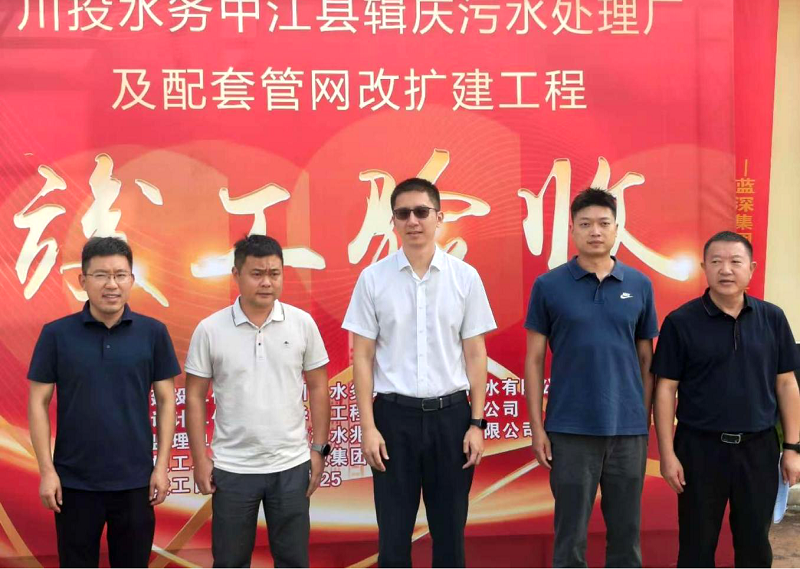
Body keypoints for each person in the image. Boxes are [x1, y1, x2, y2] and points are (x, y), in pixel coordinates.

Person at [342, 177, 496, 568]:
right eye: (403, 213)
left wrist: (476, 423)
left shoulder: (465, 278)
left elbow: (476, 353)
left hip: (452, 420)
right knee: (393, 537)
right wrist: (369, 427)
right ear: (393, 221)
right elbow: (362, 357)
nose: (413, 221)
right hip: (393, 421)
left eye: (422, 212)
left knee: (450, 534)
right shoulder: (373, 279)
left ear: (439, 217)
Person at [524, 187, 659, 568]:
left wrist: (643, 420)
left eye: (603, 223)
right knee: (570, 535)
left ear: (617, 229)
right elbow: (534, 360)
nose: (595, 231)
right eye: (585, 224)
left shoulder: (639, 285)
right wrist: (537, 428)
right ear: (572, 230)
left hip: (627, 431)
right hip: (569, 429)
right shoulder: (549, 286)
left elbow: (646, 359)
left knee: (626, 534)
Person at [27, 236, 179, 567]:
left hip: (136, 482)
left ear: (132, 279)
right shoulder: (56, 335)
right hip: (73, 483)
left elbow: (167, 401)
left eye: (120, 275)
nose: (112, 284)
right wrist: (47, 471)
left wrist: (161, 467)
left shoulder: (153, 333)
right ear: (83, 280)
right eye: (101, 275)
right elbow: (38, 402)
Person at [652, 230, 800, 567]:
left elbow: (787, 384)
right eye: (716, 261)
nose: (726, 270)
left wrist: (792, 448)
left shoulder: (773, 318)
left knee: (755, 545)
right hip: (699, 449)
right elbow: (665, 389)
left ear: (752, 268)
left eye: (735, 261)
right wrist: (667, 454)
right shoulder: (681, 322)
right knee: (696, 545)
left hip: (758, 448)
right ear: (704, 267)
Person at [185, 235, 330, 568]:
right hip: (233, 468)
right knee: (230, 561)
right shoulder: (210, 329)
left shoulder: (302, 323)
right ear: (236, 274)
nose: (267, 282)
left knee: (293, 560)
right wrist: (199, 458)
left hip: (291, 465)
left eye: (274, 273)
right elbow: (194, 396)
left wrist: (319, 449)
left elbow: (318, 387)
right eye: (257, 273)